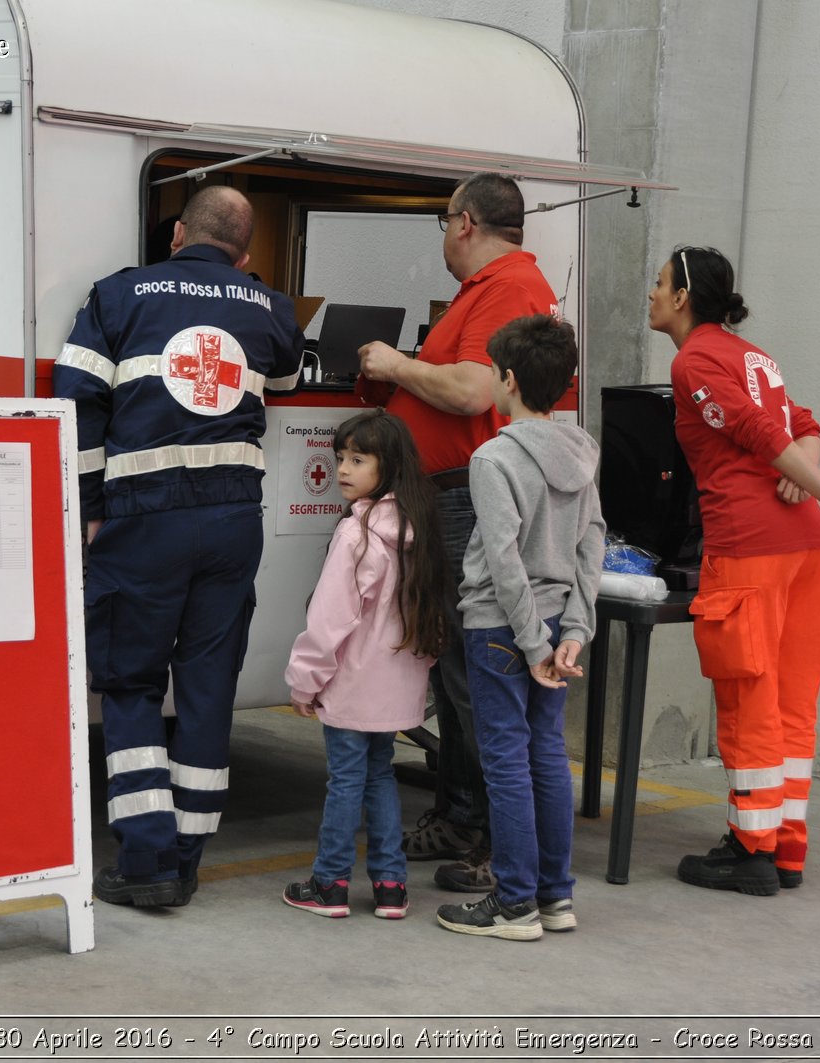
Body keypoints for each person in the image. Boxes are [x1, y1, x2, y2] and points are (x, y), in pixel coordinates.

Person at [55, 186, 304, 908]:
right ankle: (187, 857)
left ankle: (148, 858)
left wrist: (92, 509)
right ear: (246, 252)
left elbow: (74, 395)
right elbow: (286, 375)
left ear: (174, 235)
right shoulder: (266, 304)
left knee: (131, 682)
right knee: (207, 686)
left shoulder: (118, 296)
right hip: (232, 522)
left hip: (142, 520)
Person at [645, 245, 820, 897]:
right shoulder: (755, 355)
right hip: (804, 551)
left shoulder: (693, 359)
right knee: (791, 699)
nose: (651, 292)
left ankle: (749, 848)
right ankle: (786, 848)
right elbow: (801, 426)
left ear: (682, 298)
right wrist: (801, 478)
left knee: (749, 696)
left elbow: (762, 433)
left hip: (749, 550)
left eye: (660, 282)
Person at [356, 172, 560, 894]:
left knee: (476, 676)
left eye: (444, 220)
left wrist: (397, 365)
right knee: (457, 668)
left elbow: (474, 391)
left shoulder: (505, 286)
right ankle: (462, 811)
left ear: (466, 222)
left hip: (467, 503)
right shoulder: (495, 288)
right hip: (450, 498)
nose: (444, 233)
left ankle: (490, 840)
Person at [434, 315, 605, 941]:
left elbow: (502, 561)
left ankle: (513, 906)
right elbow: (593, 543)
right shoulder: (583, 449)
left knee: (505, 765)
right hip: (558, 623)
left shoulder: (494, 457)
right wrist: (573, 632)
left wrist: (532, 643)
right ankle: (555, 900)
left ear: (506, 379)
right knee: (548, 759)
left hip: (502, 630)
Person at [280, 411, 447, 920]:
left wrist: (304, 681)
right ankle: (391, 886)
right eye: (339, 458)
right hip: (396, 689)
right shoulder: (419, 529)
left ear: (387, 465)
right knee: (379, 778)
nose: (343, 470)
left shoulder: (358, 534)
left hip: (352, 685)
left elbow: (330, 619)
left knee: (346, 781)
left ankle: (329, 883)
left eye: (358, 459)